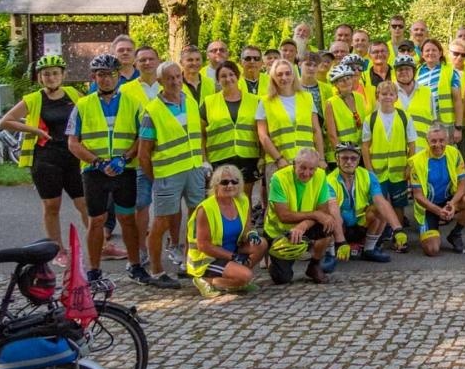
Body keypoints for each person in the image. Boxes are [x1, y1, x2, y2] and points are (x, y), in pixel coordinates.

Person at [0, 53, 86, 264]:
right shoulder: (34, 99)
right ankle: (58, 250)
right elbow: (5, 122)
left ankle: (99, 244)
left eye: (55, 73)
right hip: (46, 158)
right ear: (40, 78)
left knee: (85, 204)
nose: (51, 77)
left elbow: (90, 114)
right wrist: (34, 130)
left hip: (73, 157)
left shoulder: (74, 94)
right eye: (46, 74)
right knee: (51, 206)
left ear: (63, 75)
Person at [67, 54, 143, 286]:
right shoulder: (83, 105)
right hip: (94, 171)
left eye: (110, 74)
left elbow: (142, 137)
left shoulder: (133, 103)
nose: (106, 79)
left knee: (127, 219)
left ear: (119, 76)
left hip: (125, 168)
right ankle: (94, 270)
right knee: (96, 220)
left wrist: (125, 157)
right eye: (101, 75)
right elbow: (73, 142)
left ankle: (136, 265)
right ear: (94, 77)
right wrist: (97, 162)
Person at [136, 61, 207, 288]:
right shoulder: (152, 110)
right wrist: (156, 178)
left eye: (178, 76)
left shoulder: (191, 102)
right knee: (162, 223)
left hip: (194, 169)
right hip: (168, 173)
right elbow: (143, 153)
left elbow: (197, 136)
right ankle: (156, 271)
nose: (175, 81)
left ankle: (189, 262)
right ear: (160, 82)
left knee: (196, 218)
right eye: (170, 78)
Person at [263, 147, 345, 284]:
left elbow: (323, 211)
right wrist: (315, 214)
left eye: (312, 169)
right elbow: (284, 216)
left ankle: (314, 265)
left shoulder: (320, 175)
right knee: (282, 279)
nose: (307, 173)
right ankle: (273, 257)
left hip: (303, 227)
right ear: (294, 164)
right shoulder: (278, 178)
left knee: (328, 223)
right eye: (303, 168)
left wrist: (303, 225)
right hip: (279, 232)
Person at [187, 164, 267, 296]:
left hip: (232, 248)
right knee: (246, 276)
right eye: (224, 182)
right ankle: (207, 280)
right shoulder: (206, 209)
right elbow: (203, 245)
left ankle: (236, 279)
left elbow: (247, 227)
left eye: (234, 181)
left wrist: (252, 234)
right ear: (216, 185)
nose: (230, 186)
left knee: (261, 244)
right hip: (207, 258)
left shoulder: (242, 200)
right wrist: (233, 257)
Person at [364, 79, 417, 251]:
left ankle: (399, 237)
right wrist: (369, 170)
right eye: (383, 94)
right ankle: (378, 237)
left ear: (396, 97)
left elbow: (412, 144)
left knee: (399, 204)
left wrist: (410, 166)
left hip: (398, 170)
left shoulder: (403, 116)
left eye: (391, 94)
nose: (387, 97)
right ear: (377, 97)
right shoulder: (370, 119)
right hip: (378, 172)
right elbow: (365, 146)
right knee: (379, 204)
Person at [203, 60, 263, 209]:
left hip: (247, 158)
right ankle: (221, 230)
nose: (228, 79)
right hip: (219, 158)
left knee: (244, 200)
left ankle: (246, 230)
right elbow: (200, 135)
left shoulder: (255, 101)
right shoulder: (209, 102)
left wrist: (262, 157)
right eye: (223, 76)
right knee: (219, 200)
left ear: (238, 76)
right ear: (218, 79)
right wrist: (204, 160)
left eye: (231, 74)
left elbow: (262, 132)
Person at [410, 125, 465, 255]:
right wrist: (438, 211)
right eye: (433, 141)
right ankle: (432, 229)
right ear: (427, 141)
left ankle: (455, 234)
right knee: (432, 250)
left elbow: (462, 185)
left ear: (447, 140)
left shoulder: (454, 153)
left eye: (441, 140)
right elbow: (418, 196)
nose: (438, 144)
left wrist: (452, 204)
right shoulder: (417, 161)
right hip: (428, 208)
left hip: (448, 202)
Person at [325, 141, 397, 262]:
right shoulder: (328, 181)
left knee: (379, 209)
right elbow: (333, 210)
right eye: (344, 158)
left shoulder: (368, 176)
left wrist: (397, 229)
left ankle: (369, 250)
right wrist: (341, 241)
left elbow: (381, 202)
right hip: (340, 228)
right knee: (327, 216)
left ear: (358, 160)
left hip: (361, 224)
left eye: (353, 158)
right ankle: (331, 255)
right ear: (337, 159)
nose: (349, 162)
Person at [256, 59, 322, 185]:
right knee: (282, 203)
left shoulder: (307, 97)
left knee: (308, 202)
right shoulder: (265, 101)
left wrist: (321, 158)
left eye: (287, 73)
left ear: (294, 75)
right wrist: (279, 159)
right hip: (279, 163)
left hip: (307, 162)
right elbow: (263, 136)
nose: (284, 77)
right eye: (279, 74)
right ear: (273, 77)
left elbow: (316, 130)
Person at [323, 61, 373, 151]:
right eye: (341, 80)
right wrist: (342, 154)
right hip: (342, 153)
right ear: (335, 84)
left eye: (348, 78)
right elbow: (332, 136)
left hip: (359, 150)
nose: (346, 82)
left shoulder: (359, 97)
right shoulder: (331, 103)